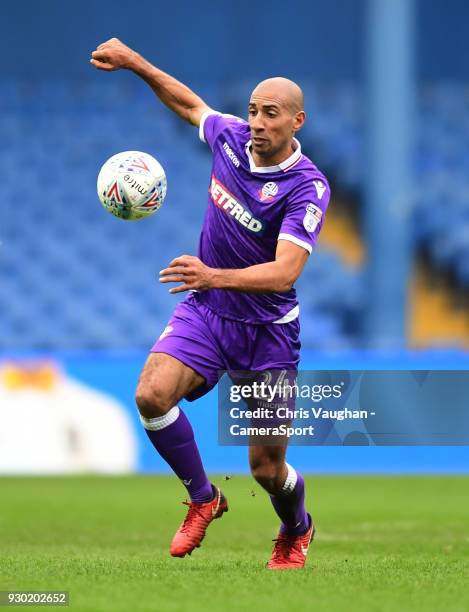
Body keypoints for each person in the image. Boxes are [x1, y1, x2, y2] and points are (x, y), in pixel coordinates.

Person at [90, 38, 330, 570]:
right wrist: (135, 63)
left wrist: (212, 273)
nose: (258, 122)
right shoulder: (230, 139)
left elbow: (286, 271)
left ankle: (296, 527)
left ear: (297, 121)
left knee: (267, 470)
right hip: (207, 311)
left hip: (266, 333)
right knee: (151, 395)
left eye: (271, 114)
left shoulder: (306, 186)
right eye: (252, 111)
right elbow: (188, 104)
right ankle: (203, 498)